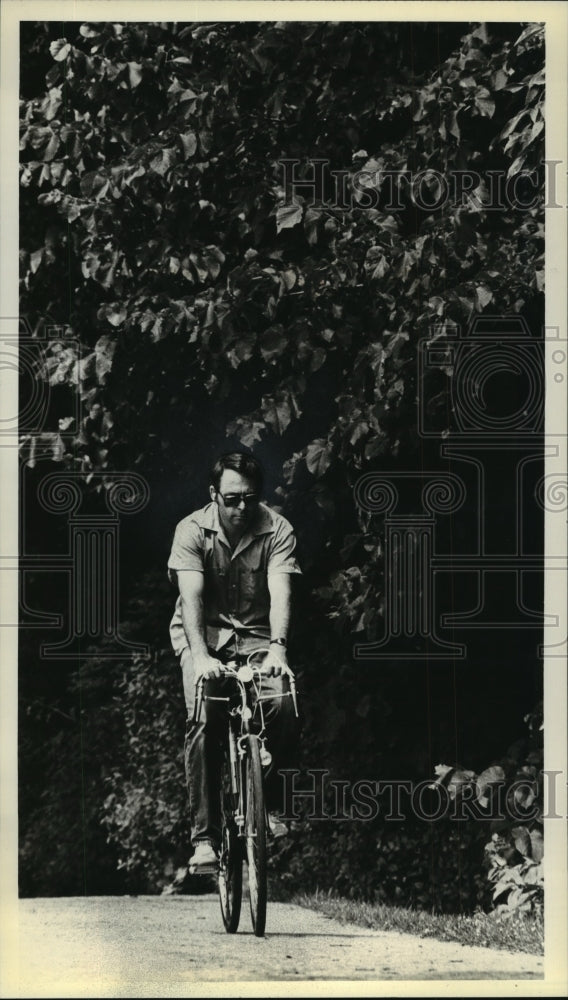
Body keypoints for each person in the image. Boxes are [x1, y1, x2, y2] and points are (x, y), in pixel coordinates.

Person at [167, 451, 301, 872]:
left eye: (249, 498)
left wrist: (278, 648)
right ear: (214, 495)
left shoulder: (277, 529)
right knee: (205, 714)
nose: (241, 508)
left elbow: (281, 592)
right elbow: (190, 597)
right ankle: (205, 839)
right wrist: (201, 656)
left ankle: (272, 808)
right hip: (203, 635)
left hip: (259, 637)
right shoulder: (191, 530)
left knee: (283, 701)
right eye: (231, 499)